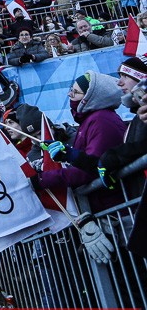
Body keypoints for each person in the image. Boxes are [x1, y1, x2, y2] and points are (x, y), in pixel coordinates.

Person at [33, 72, 127, 214]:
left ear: (90, 97)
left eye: (76, 92)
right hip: (105, 206)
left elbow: (91, 169)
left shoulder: (101, 121)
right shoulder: (91, 120)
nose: (69, 95)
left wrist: (42, 179)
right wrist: (66, 153)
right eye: (71, 89)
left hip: (113, 208)